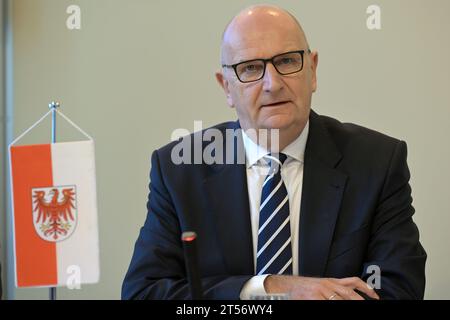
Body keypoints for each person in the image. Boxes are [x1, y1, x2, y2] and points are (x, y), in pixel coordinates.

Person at [122, 5, 426, 300]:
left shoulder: (377, 162)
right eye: (251, 68)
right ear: (226, 86)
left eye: (288, 61)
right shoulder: (179, 170)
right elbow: (144, 291)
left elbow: (399, 288)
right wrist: (270, 287)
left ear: (313, 70)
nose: (273, 84)